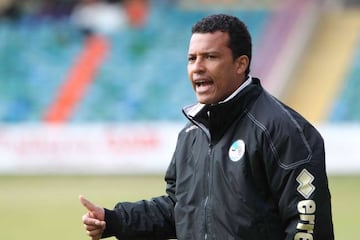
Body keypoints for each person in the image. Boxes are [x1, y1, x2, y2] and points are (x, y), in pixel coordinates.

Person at [80, 14, 334, 239]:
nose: (197, 67)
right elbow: (179, 209)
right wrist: (116, 221)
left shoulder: (282, 130)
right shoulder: (192, 134)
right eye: (192, 58)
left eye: (210, 57)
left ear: (240, 64)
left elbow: (307, 224)